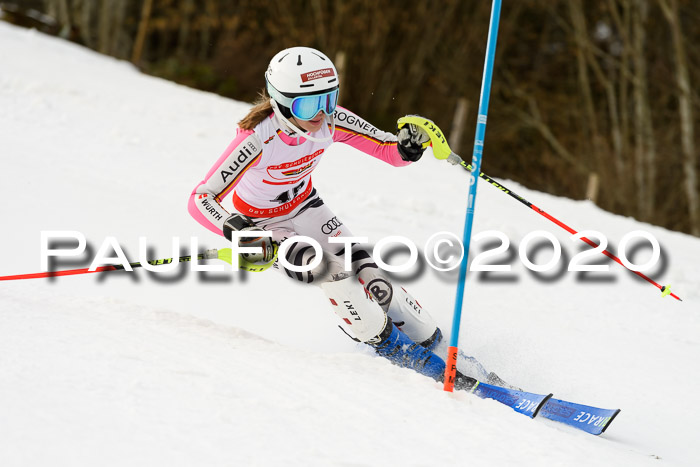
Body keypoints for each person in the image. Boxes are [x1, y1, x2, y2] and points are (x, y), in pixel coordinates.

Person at [188, 46, 476, 390]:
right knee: (332, 272)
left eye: (329, 100)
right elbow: (200, 198)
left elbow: (387, 150)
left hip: (308, 208)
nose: (322, 115)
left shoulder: (331, 119)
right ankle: (391, 349)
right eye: (309, 105)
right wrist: (237, 230)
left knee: (374, 279)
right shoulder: (256, 139)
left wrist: (408, 147)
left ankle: (437, 347)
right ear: (281, 102)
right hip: (265, 226)